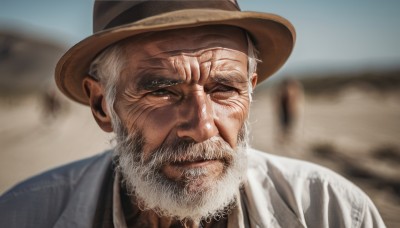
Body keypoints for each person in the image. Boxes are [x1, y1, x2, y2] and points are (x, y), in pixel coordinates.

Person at [0, 0, 386, 227]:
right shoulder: (26, 215)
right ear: (103, 105)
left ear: (251, 89)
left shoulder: (329, 211)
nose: (202, 126)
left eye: (224, 89)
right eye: (163, 92)